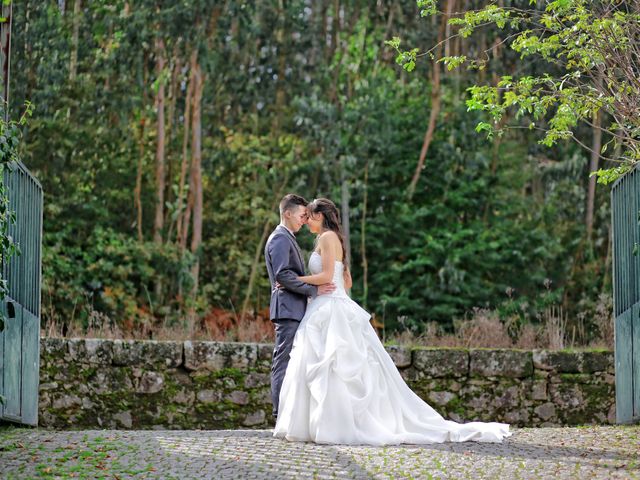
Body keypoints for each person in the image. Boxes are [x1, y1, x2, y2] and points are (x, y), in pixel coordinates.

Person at [273, 198, 512, 445]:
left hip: (328, 306)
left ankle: (328, 424)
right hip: (332, 302)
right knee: (336, 366)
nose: (306, 221)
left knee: (328, 364)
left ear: (320, 216)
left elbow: (325, 276)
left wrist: (299, 278)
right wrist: (327, 286)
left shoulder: (325, 238)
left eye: (309, 216)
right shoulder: (335, 239)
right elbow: (347, 282)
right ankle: (336, 423)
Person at [264, 194, 335, 420]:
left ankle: (292, 415)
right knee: (283, 361)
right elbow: (283, 275)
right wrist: (313, 290)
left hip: (295, 308)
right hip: (287, 309)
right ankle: (280, 415)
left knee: (294, 362)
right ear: (287, 213)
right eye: (302, 215)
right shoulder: (280, 239)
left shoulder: (288, 238)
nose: (304, 219)